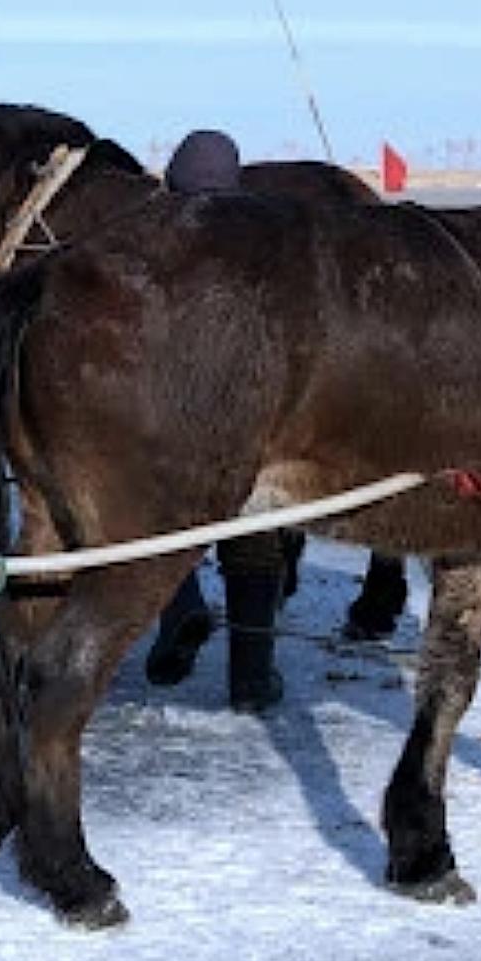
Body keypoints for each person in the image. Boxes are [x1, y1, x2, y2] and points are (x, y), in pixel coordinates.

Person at [142, 129, 286, 712]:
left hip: (172, 416)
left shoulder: (150, 239)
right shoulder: (270, 246)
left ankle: (182, 609)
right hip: (256, 414)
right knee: (256, 542)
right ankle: (251, 680)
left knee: (162, 526)